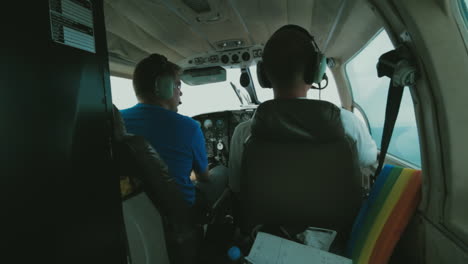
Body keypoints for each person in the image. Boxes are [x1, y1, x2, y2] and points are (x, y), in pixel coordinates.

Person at [228, 25, 378, 194]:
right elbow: (372, 167)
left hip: (266, 221)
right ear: (315, 70)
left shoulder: (243, 133)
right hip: (338, 221)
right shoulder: (347, 123)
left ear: (264, 75)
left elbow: (237, 187)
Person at [120, 54, 227, 211]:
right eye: (178, 85)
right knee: (223, 172)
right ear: (163, 86)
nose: (180, 93)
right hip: (180, 212)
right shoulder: (189, 126)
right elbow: (203, 177)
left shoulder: (117, 121)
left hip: (135, 210)